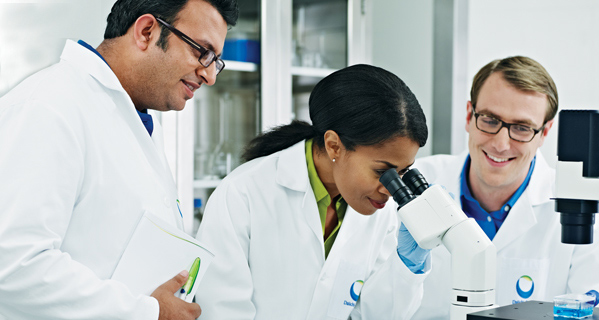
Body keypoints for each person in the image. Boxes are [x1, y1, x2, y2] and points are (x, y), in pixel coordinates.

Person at [0, 0, 238, 319]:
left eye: (216, 61)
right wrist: (149, 312)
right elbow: (13, 263)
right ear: (146, 31)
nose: (209, 75)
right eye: (202, 52)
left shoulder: (135, 119)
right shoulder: (49, 106)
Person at [195, 64, 431, 319]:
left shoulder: (377, 209)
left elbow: (372, 314)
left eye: (402, 173)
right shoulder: (243, 193)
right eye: (381, 171)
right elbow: (222, 311)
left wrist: (407, 266)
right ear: (334, 146)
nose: (390, 188)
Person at [410, 56, 599, 319]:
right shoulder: (417, 183)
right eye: (490, 120)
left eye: (521, 128)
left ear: (545, 132)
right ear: (469, 115)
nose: (501, 144)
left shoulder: (581, 205)